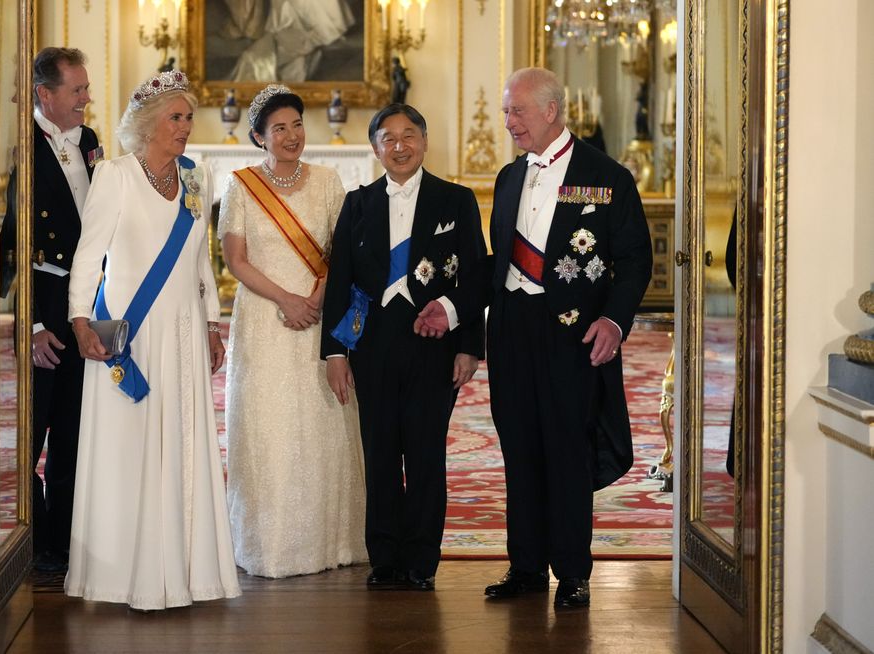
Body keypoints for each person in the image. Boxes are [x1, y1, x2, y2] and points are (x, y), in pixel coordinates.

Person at [416, 68, 653, 607]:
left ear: (550, 110)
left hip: (573, 334)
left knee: (567, 449)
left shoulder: (605, 176)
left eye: (516, 111)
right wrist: (451, 308)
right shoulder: (509, 177)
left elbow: (635, 259)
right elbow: (496, 262)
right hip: (511, 328)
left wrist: (614, 321)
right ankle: (525, 567)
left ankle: (572, 572)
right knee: (518, 446)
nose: (508, 122)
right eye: (506, 111)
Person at [65, 70, 241, 610]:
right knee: (129, 446)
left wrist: (211, 324)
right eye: (176, 118)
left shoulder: (194, 178)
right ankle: (123, 574)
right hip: (130, 334)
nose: (186, 127)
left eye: (189, 118)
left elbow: (201, 261)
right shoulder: (115, 175)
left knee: (181, 442)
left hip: (183, 330)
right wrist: (79, 320)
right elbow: (89, 255)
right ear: (146, 124)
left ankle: (185, 569)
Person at [320, 103, 487, 591]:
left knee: (425, 452)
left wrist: (469, 346)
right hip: (372, 347)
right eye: (388, 138)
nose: (400, 146)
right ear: (375, 149)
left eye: (409, 135)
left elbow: (475, 275)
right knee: (380, 452)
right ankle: (385, 556)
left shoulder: (455, 200)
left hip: (433, 344)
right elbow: (340, 280)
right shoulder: (358, 203)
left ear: (425, 141)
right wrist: (335, 353)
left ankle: (421, 559)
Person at [218, 83, 366, 578]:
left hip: (319, 315)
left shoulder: (327, 181)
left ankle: (332, 540)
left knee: (322, 420)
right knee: (268, 423)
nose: (291, 135)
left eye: (297, 125)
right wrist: (286, 299)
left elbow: (342, 252)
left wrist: (317, 298)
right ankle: (268, 542)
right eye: (279, 128)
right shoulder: (241, 186)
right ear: (259, 137)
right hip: (264, 318)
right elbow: (235, 260)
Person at [0, 47, 102, 573]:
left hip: (83, 302)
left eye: (85, 88)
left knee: (73, 427)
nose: (86, 98)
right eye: (77, 89)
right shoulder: (23, 148)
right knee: (34, 429)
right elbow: (12, 247)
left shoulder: (88, 140)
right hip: (45, 304)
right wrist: (34, 324)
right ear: (46, 94)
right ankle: (35, 539)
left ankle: (64, 541)